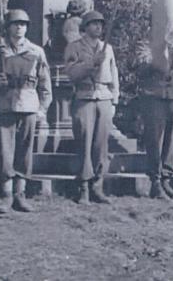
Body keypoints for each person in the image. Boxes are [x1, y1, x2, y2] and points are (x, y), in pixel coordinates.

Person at [0, 9, 52, 214]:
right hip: (3, 104)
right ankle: (6, 194)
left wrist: (43, 109)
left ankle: (20, 194)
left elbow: (45, 83)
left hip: (28, 104)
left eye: (23, 24)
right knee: (5, 152)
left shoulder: (37, 51)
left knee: (25, 151)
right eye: (15, 24)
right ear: (9, 27)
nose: (19, 27)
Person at [63, 10, 118, 204]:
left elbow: (114, 75)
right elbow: (71, 73)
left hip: (103, 98)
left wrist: (114, 101)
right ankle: (83, 186)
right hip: (84, 97)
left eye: (100, 24)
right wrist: (90, 63)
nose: (98, 27)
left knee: (101, 145)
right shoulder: (74, 47)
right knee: (84, 143)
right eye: (94, 24)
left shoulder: (107, 48)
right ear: (85, 27)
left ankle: (98, 185)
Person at [137, 41, 173, 200]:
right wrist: (159, 55)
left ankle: (166, 179)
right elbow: (140, 68)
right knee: (155, 141)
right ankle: (156, 182)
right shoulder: (145, 46)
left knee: (172, 141)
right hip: (154, 97)